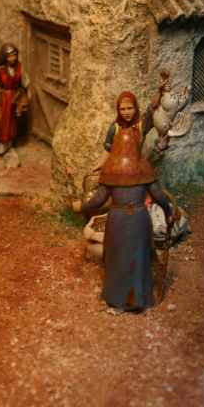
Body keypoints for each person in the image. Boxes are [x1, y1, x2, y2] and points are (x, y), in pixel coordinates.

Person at [73, 91, 173, 313]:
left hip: (118, 219)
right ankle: (139, 300)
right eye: (123, 108)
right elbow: (158, 195)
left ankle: (118, 301)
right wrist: (168, 211)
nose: (126, 112)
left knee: (117, 258)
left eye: (129, 108)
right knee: (138, 258)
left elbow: (98, 199)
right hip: (138, 218)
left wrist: (82, 206)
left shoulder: (112, 170)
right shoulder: (144, 168)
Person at [0, 44, 31, 156]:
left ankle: (10, 143)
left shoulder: (19, 68)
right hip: (3, 100)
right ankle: (1, 145)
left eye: (14, 55)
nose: (13, 58)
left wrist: (27, 97)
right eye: (10, 56)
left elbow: (26, 83)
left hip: (15, 99)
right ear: (4, 57)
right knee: (3, 122)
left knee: (13, 122)